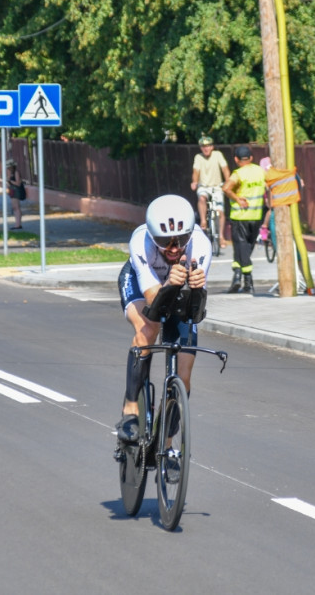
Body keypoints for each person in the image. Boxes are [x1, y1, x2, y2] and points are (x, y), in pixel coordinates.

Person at [115, 194, 212, 443]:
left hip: (179, 290)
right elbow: (152, 301)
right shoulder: (140, 242)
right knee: (148, 329)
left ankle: (166, 443)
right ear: (152, 236)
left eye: (181, 239)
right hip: (143, 286)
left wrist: (199, 288)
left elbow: (195, 311)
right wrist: (169, 282)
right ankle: (130, 408)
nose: (173, 247)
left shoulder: (201, 244)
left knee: (185, 371)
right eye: (164, 241)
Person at [221, 146, 266, 294]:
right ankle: (237, 277)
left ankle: (247, 281)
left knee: (241, 248)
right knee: (245, 249)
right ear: (251, 158)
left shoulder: (238, 174)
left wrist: (237, 198)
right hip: (256, 217)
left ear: (236, 159)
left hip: (240, 217)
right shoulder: (260, 171)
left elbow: (226, 188)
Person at [190, 134, 230, 247]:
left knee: (220, 211)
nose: (206, 148)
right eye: (203, 146)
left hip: (217, 186)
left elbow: (225, 169)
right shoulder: (198, 157)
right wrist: (194, 182)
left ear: (212, 147)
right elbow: (195, 172)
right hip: (204, 185)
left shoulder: (218, 155)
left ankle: (221, 236)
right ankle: (203, 220)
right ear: (200, 148)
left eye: (208, 146)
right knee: (202, 198)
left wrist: (227, 181)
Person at [6, 159, 25, 229]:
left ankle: (18, 224)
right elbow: (8, 182)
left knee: (16, 207)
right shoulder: (10, 173)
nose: (7, 168)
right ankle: (17, 223)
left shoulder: (16, 172)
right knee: (14, 207)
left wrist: (11, 181)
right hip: (12, 191)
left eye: (8, 167)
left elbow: (18, 183)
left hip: (16, 191)